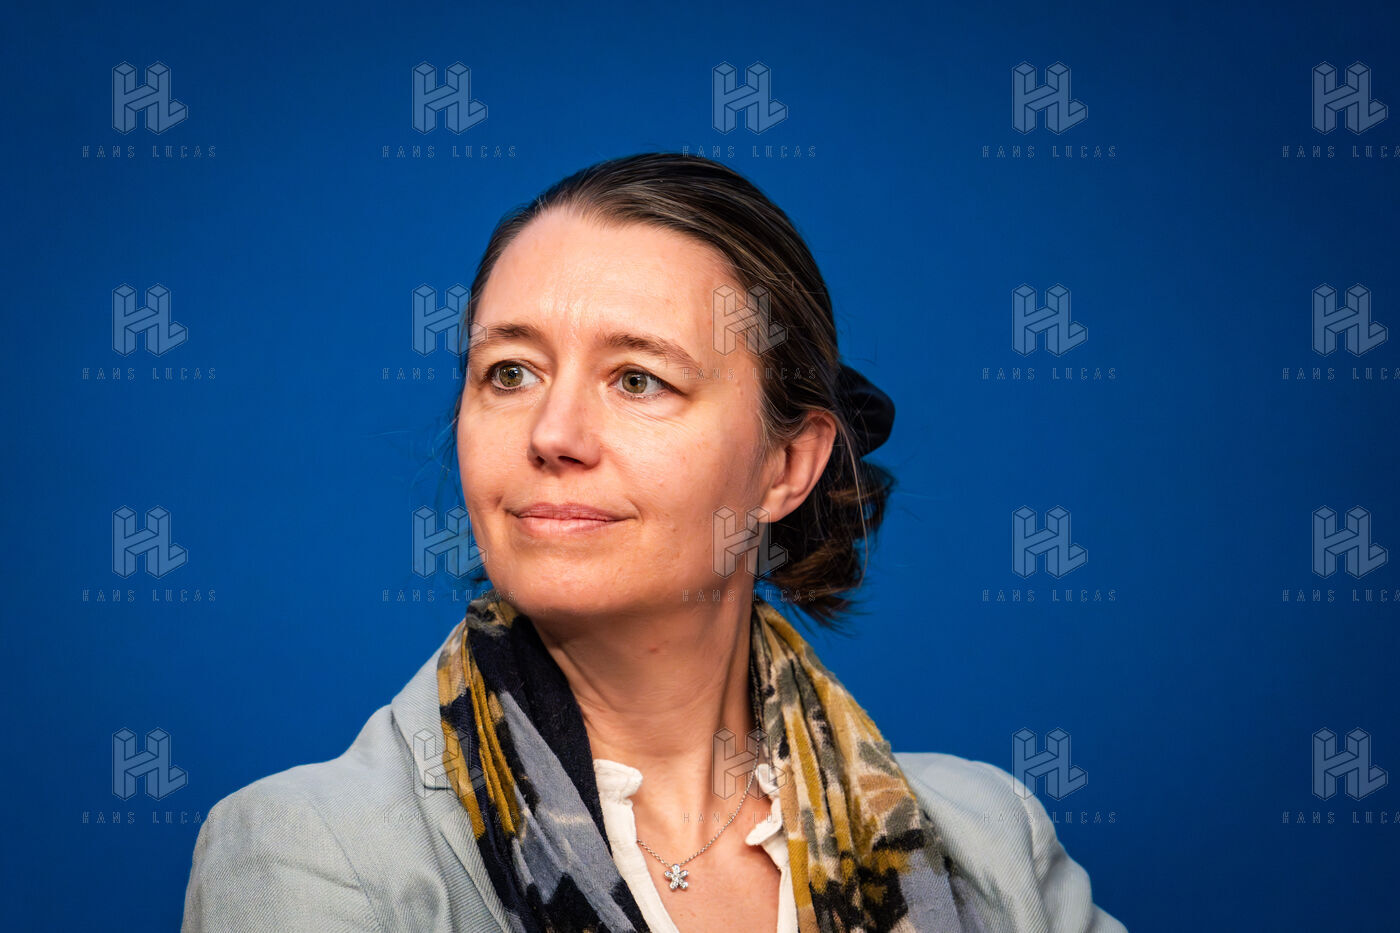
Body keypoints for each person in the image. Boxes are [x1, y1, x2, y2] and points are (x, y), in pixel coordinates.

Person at [182, 153, 1127, 932]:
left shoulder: (990, 841)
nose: (553, 434)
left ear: (786, 465)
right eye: (508, 372)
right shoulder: (312, 854)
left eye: (637, 379)